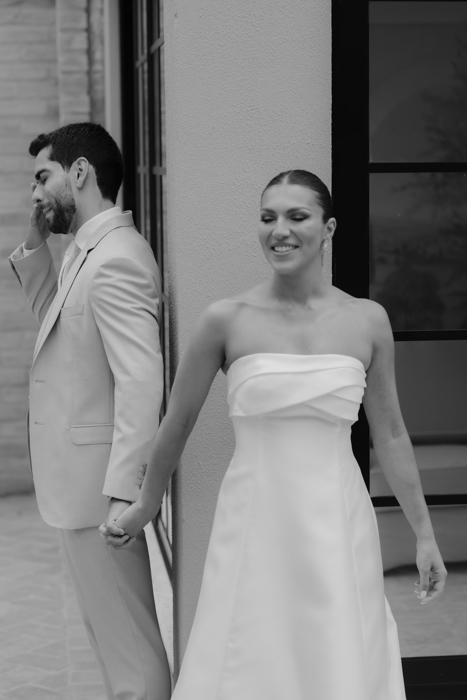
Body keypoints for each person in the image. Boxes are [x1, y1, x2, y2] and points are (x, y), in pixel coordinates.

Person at [103, 169, 447, 699]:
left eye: (296, 216)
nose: (279, 230)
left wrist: (424, 534)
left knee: (335, 648)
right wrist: (145, 504)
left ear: (328, 228)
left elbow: (393, 434)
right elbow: (178, 421)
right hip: (254, 515)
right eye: (268, 218)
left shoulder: (368, 321)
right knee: (251, 646)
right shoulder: (225, 320)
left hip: (338, 517)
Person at [9, 123, 171, 700]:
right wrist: (36, 248)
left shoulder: (117, 259)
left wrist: (126, 494)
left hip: (103, 493)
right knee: (113, 645)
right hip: (81, 490)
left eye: (42, 177)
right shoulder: (88, 251)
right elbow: (59, 326)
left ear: (80, 172)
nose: (35, 193)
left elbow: (140, 382)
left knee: (132, 656)